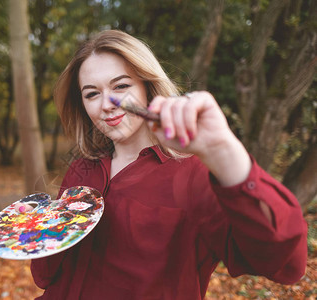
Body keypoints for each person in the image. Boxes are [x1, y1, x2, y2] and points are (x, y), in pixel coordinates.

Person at [26, 30, 307, 299]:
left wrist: (224, 151)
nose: (106, 105)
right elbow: (46, 276)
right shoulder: (82, 168)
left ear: (148, 87)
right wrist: (40, 231)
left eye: (121, 86)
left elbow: (285, 263)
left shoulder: (195, 176)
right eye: (91, 94)